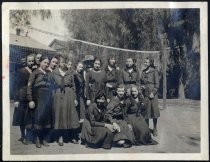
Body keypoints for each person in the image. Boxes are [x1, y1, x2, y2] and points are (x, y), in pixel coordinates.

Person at [49, 55, 80, 146]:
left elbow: (74, 86)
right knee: (59, 115)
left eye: (65, 62)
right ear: (59, 63)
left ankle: (72, 136)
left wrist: (75, 98)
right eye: (62, 62)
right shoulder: (54, 72)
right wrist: (53, 96)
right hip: (58, 95)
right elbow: (50, 85)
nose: (64, 64)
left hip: (69, 94)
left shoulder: (70, 72)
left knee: (71, 115)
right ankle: (60, 137)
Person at [26, 56, 53, 148]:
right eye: (44, 62)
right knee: (38, 118)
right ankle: (37, 138)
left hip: (48, 98)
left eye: (47, 63)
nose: (46, 64)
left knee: (46, 118)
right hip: (38, 98)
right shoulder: (35, 73)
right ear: (40, 62)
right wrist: (30, 100)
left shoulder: (49, 73)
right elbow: (29, 86)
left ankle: (44, 139)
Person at [12, 54, 35, 145]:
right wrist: (16, 99)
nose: (31, 62)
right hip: (22, 97)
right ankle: (23, 136)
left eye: (32, 61)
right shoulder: (21, 71)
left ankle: (29, 136)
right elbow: (16, 86)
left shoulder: (34, 71)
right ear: (26, 61)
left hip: (31, 97)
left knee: (29, 118)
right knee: (22, 118)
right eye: (29, 61)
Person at [104, 84, 134, 148]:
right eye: (119, 91)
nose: (121, 93)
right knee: (121, 142)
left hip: (122, 121)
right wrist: (113, 123)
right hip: (114, 121)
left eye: (122, 91)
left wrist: (128, 123)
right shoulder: (113, 101)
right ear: (116, 91)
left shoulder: (124, 100)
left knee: (130, 139)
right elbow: (107, 114)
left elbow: (124, 113)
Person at [141, 57, 160, 137]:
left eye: (147, 62)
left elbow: (157, 84)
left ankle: (155, 128)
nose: (145, 63)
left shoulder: (154, 71)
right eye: (144, 62)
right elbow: (141, 81)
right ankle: (147, 129)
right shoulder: (143, 72)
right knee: (146, 112)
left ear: (150, 63)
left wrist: (153, 92)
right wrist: (142, 87)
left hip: (153, 94)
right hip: (145, 93)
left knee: (154, 111)